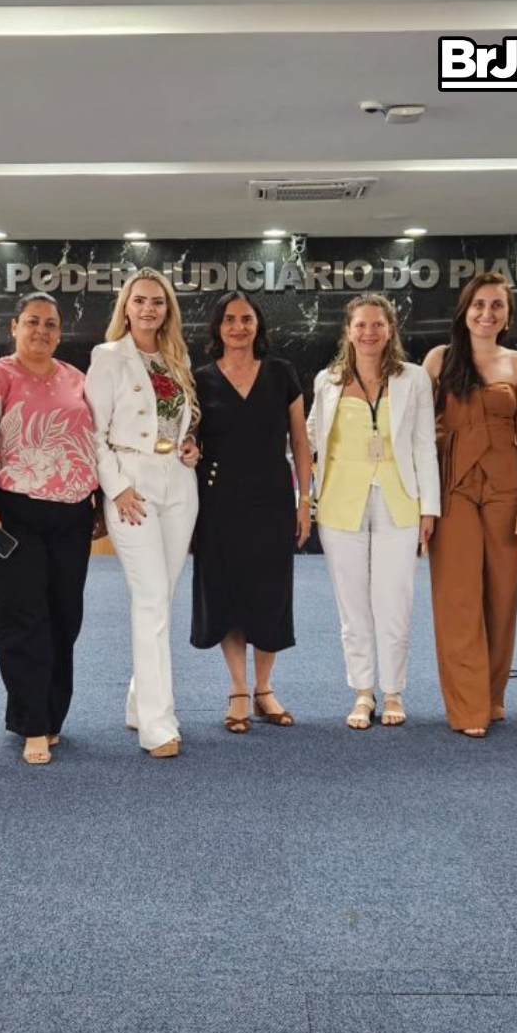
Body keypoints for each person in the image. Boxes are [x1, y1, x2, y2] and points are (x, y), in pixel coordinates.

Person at [0, 292, 98, 765]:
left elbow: (95, 442)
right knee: (22, 619)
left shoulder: (77, 379)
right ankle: (33, 722)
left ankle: (51, 715)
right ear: (14, 326)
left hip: (72, 515)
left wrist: (97, 500)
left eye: (51, 324)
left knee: (64, 617)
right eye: (32, 321)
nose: (42, 331)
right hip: (11, 514)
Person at [307, 293, 439, 729]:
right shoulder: (327, 381)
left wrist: (429, 509)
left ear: (390, 329)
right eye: (360, 325)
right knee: (353, 606)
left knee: (394, 601)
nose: (369, 333)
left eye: (377, 325)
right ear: (348, 331)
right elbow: (310, 437)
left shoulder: (413, 379)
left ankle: (394, 691)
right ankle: (363, 691)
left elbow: (424, 445)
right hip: (339, 505)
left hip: (400, 503)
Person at [85, 268, 200, 757]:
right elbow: (93, 432)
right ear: (126, 308)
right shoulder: (108, 356)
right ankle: (157, 724)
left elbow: (178, 420)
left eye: (157, 301)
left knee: (162, 600)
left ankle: (138, 702)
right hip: (133, 486)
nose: (148, 309)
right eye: (140, 301)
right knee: (151, 600)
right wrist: (116, 488)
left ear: (167, 309)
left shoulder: (176, 357)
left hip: (179, 481)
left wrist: (190, 444)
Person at [190, 290, 312, 733]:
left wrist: (305, 502)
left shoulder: (282, 373)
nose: (238, 327)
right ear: (217, 327)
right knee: (226, 592)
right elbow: (189, 439)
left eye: (246, 319)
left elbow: (300, 442)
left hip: (272, 499)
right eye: (229, 319)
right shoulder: (199, 379)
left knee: (268, 593)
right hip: (218, 501)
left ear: (257, 325)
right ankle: (239, 688)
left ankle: (264, 687)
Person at [423, 273, 517, 738]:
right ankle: (467, 708)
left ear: (507, 315)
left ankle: (491, 696)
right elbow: (417, 431)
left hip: (507, 488)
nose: (487, 314)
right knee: (457, 597)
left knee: (502, 596)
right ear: (464, 310)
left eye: (496, 306)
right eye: (479, 305)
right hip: (453, 488)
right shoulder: (439, 360)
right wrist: (423, 502)